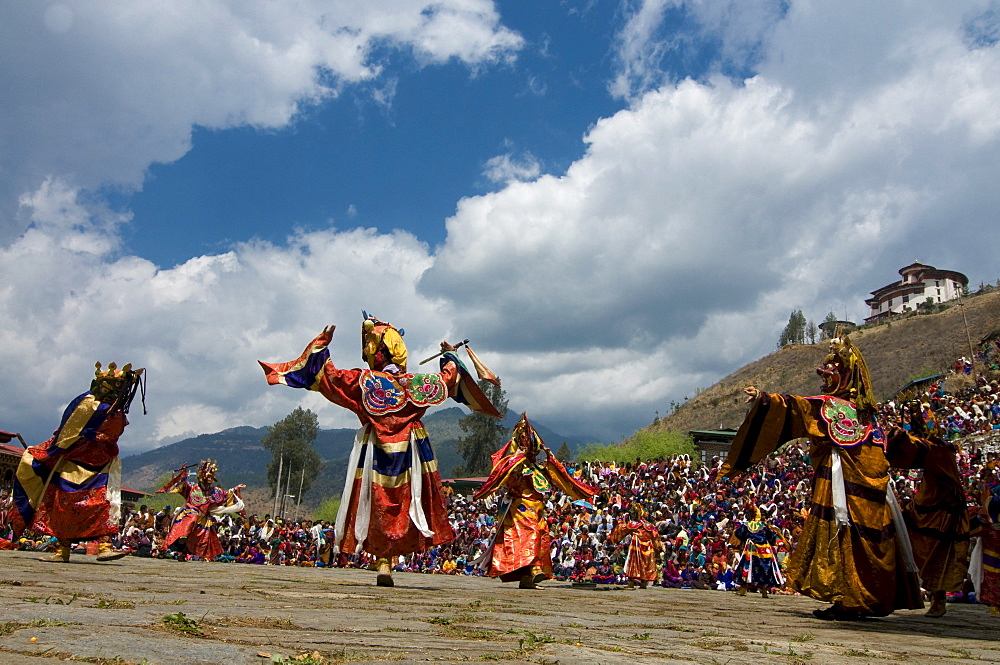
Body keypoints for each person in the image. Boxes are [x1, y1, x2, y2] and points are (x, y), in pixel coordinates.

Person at [259, 316, 502, 586]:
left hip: (374, 449)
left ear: (375, 352)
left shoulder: (363, 382)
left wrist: (320, 346)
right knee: (409, 502)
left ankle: (383, 561)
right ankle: (392, 559)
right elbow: (448, 379)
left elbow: (328, 376)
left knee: (373, 503)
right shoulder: (416, 383)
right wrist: (448, 355)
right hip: (411, 451)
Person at [721, 334, 922, 620]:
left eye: (831, 373)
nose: (826, 379)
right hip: (874, 491)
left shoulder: (835, 408)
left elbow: (797, 407)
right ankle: (872, 596)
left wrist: (765, 400)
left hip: (844, 486)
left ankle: (851, 598)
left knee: (844, 533)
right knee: (873, 536)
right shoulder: (869, 415)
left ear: (845, 376)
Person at [7, 362, 144, 563]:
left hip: (101, 466)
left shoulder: (116, 412)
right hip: (74, 464)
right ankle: (62, 550)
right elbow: (67, 433)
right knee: (66, 505)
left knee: (101, 504)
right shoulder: (87, 404)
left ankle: (105, 546)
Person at [472, 414, 597, 588]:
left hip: (537, 509)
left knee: (542, 537)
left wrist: (550, 458)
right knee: (532, 536)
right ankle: (533, 571)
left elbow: (559, 476)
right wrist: (518, 456)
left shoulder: (539, 468)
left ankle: (528, 577)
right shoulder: (513, 464)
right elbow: (501, 473)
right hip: (520, 510)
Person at [884, 404, 972, 617]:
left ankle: (938, 598)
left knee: (939, 556)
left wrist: (899, 437)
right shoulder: (941, 448)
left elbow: (907, 452)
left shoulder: (937, 449)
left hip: (943, 512)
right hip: (928, 506)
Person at [157, 459, 245, 561]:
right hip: (189, 513)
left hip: (203, 518)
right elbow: (182, 484)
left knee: (198, 540)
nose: (207, 483)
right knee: (192, 518)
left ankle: (184, 554)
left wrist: (236, 488)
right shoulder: (192, 487)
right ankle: (171, 545)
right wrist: (183, 473)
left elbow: (227, 495)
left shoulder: (215, 492)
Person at [730, 505, 784, 598]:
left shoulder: (746, 525)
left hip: (752, 549)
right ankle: (764, 591)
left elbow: (738, 533)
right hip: (765, 549)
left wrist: (745, 539)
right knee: (764, 570)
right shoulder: (764, 526)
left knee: (747, 568)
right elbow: (771, 537)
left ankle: (744, 589)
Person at [610, 503, 663, 589]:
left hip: (637, 545)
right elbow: (656, 537)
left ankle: (631, 582)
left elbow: (622, 529)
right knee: (645, 564)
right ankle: (643, 583)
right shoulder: (649, 525)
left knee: (633, 563)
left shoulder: (633, 524)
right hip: (648, 546)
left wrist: (620, 520)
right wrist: (657, 549)